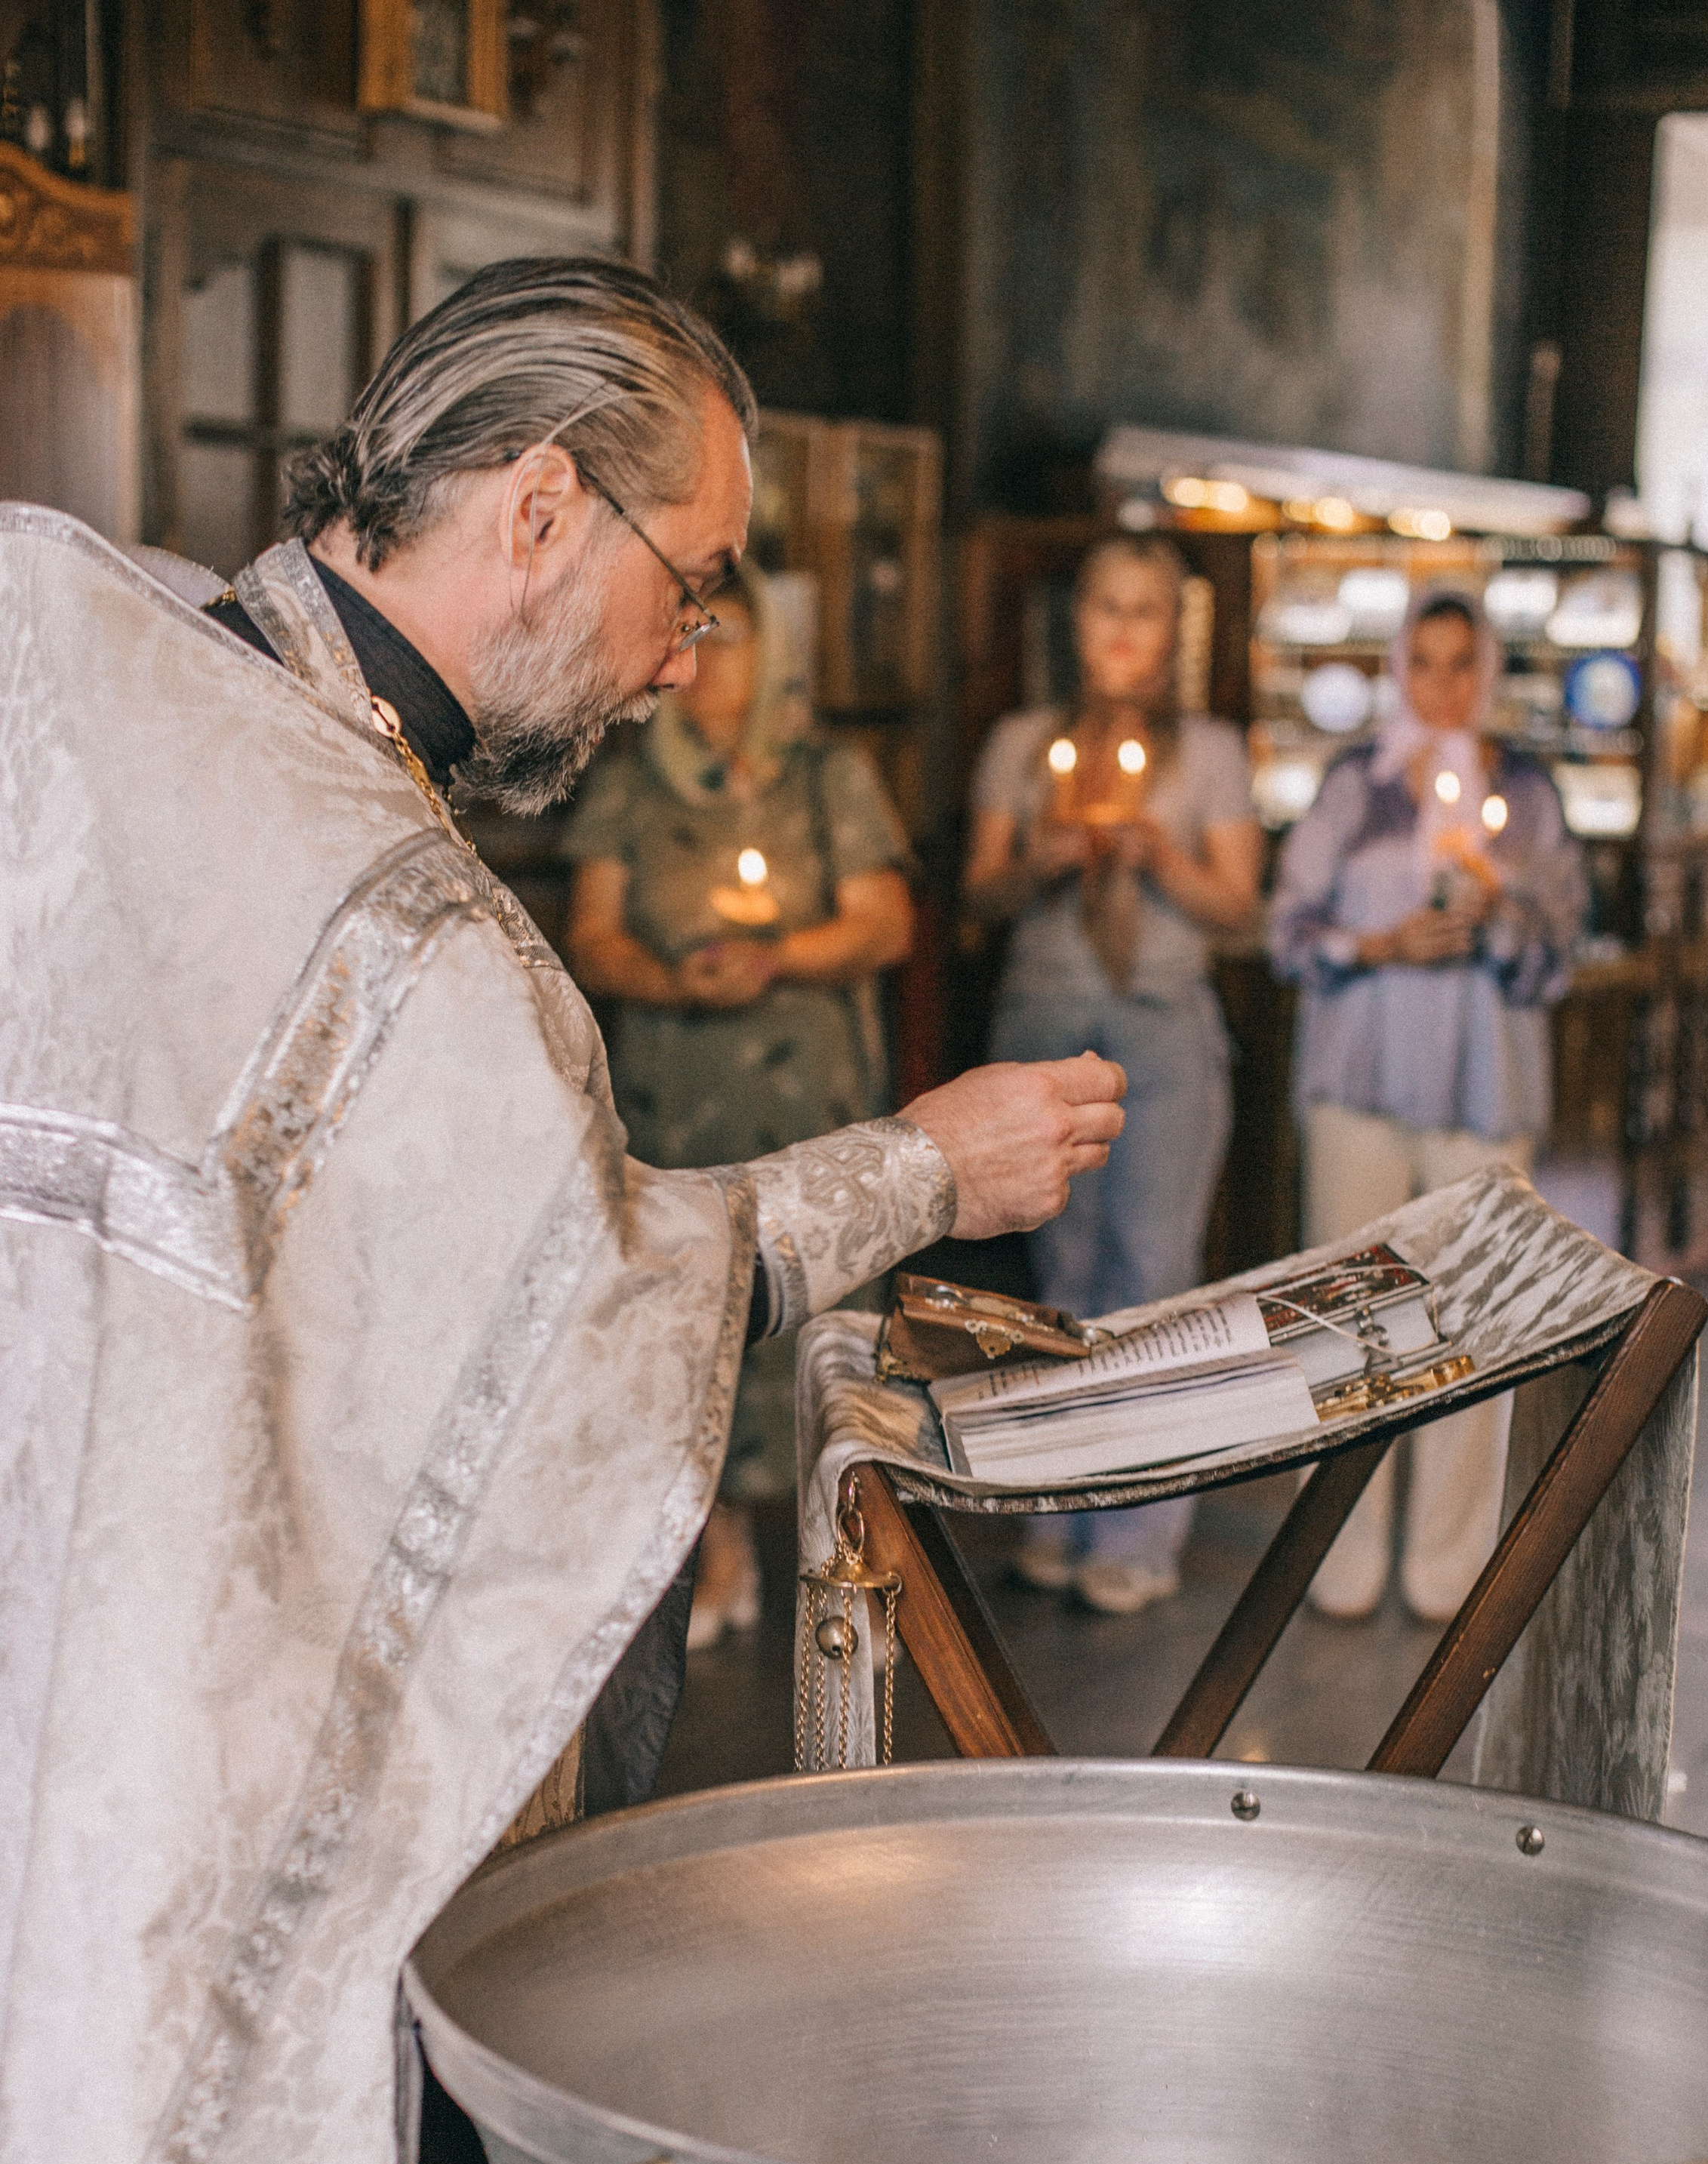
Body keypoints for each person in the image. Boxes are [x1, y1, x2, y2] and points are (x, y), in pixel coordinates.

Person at [0, 256, 1125, 2164]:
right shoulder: (409, 937)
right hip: (234, 1860)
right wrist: (923, 1172)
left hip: (59, 1723)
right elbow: (588, 1326)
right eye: (684, 577)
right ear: (535, 511)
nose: (685, 649)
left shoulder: (74, 656)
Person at [565, 561, 912, 1645]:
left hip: (804, 1092)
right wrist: (677, 979)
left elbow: (885, 923)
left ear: (773, 655)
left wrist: (774, 958)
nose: (712, 662)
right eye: (696, 635)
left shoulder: (825, 775)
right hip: (674, 1095)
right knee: (691, 1317)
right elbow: (592, 937)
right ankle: (716, 1551)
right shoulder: (632, 782)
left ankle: (837, 1547)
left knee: (821, 1318)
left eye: (735, 639)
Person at [1268, 584, 1584, 1622]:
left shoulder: (1525, 792)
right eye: (1424, 663)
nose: (1443, 687)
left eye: (1464, 664)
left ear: (1488, 673)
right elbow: (1288, 934)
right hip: (1361, 1080)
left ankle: (1448, 1566)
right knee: (1346, 1323)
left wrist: (1501, 913)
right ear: (1397, 668)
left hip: (1483, 1088)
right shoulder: (1355, 783)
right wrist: (1377, 943)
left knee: (1470, 1320)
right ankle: (1339, 1559)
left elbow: (1560, 952)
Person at [964, 533, 1262, 1613]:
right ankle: (1059, 1505)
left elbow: (1241, 909)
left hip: (1162, 1036)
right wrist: (1041, 858)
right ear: (1076, 622)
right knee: (1064, 1280)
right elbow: (979, 895)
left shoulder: (1209, 752)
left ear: (1173, 631)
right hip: (1046, 1027)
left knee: (1151, 1275)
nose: (1124, 631)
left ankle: (1138, 1528)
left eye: (1146, 610)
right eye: (1106, 607)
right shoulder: (1024, 741)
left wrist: (1158, 856)